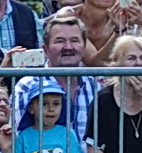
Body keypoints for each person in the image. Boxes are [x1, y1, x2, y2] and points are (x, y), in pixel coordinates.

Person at [10, 11, 99, 139]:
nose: (68, 47)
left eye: (74, 40)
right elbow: (15, 137)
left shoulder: (96, 85)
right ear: (45, 49)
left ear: (84, 47)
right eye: (60, 41)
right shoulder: (27, 86)